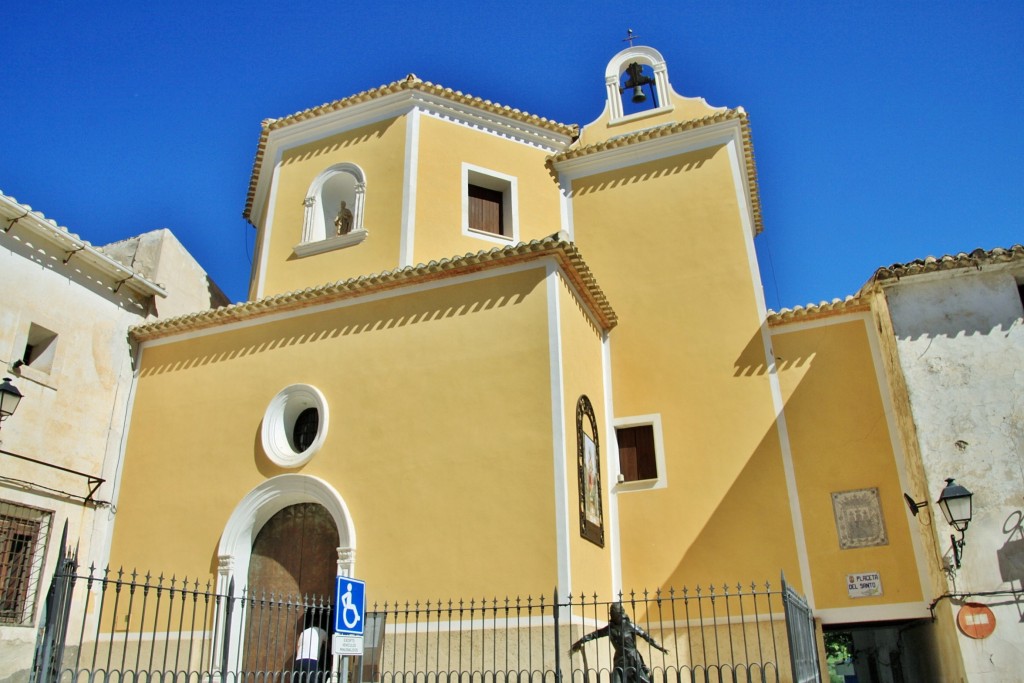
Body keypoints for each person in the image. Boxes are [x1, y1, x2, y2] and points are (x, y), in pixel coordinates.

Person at [570, 603, 668, 683]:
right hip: (619, 659)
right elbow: (595, 634)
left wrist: (660, 647)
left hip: (632, 658)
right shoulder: (610, 628)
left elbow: (647, 637)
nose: (612, 615)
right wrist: (581, 641)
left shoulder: (630, 626)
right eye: (611, 613)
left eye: (614, 613)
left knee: (641, 680)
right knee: (617, 680)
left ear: (620, 613)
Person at [293, 609, 327, 682]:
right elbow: (330, 646)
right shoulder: (322, 631)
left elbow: (298, 647)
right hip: (312, 660)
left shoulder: (304, 632)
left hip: (299, 660)